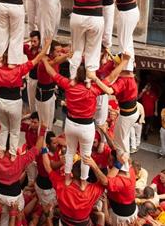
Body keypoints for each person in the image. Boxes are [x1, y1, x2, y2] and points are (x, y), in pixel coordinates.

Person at [50, 0, 130, 80]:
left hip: (77, 17)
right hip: (95, 18)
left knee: (77, 48)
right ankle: (88, 79)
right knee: (93, 49)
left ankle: (73, 77)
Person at [42, 57, 114, 190]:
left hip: (70, 124)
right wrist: (122, 64)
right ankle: (83, 182)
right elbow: (110, 79)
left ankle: (68, 178)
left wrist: (45, 59)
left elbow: (51, 72)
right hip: (86, 127)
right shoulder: (93, 89)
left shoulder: (69, 85)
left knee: (70, 152)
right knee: (86, 155)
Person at [0, 38, 50, 158]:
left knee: (4, 128)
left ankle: (2, 150)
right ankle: (12, 154)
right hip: (14, 103)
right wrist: (47, 44)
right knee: (14, 130)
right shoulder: (19, 70)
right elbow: (37, 59)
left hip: (0, 101)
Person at [0, 120, 46, 223]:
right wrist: (43, 130)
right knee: (18, 216)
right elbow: (36, 149)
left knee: (3, 216)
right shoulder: (20, 160)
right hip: (14, 197)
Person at [88, 54, 138, 172]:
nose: (114, 66)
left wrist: (94, 79)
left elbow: (109, 90)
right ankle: (124, 161)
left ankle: (123, 166)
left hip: (127, 115)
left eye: (116, 64)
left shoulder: (123, 80)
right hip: (130, 113)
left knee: (119, 142)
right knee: (121, 139)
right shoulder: (129, 75)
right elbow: (112, 68)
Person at [42, 156, 104, 225]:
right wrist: (94, 166)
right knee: (101, 216)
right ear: (87, 174)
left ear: (72, 172)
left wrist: (44, 148)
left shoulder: (61, 184)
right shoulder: (93, 190)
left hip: (64, 223)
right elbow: (104, 182)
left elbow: (47, 167)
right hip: (84, 223)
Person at [85, 152, 138, 225]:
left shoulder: (122, 180)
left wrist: (93, 165)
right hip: (119, 205)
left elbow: (105, 182)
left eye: (110, 160)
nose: (107, 161)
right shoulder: (128, 168)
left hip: (121, 216)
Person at [24, 30, 41, 113]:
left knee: (39, 102)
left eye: (35, 41)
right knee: (31, 100)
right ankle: (33, 116)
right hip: (31, 78)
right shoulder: (28, 49)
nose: (33, 43)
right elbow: (17, 45)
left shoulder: (42, 51)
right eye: (32, 41)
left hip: (40, 79)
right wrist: (28, 40)